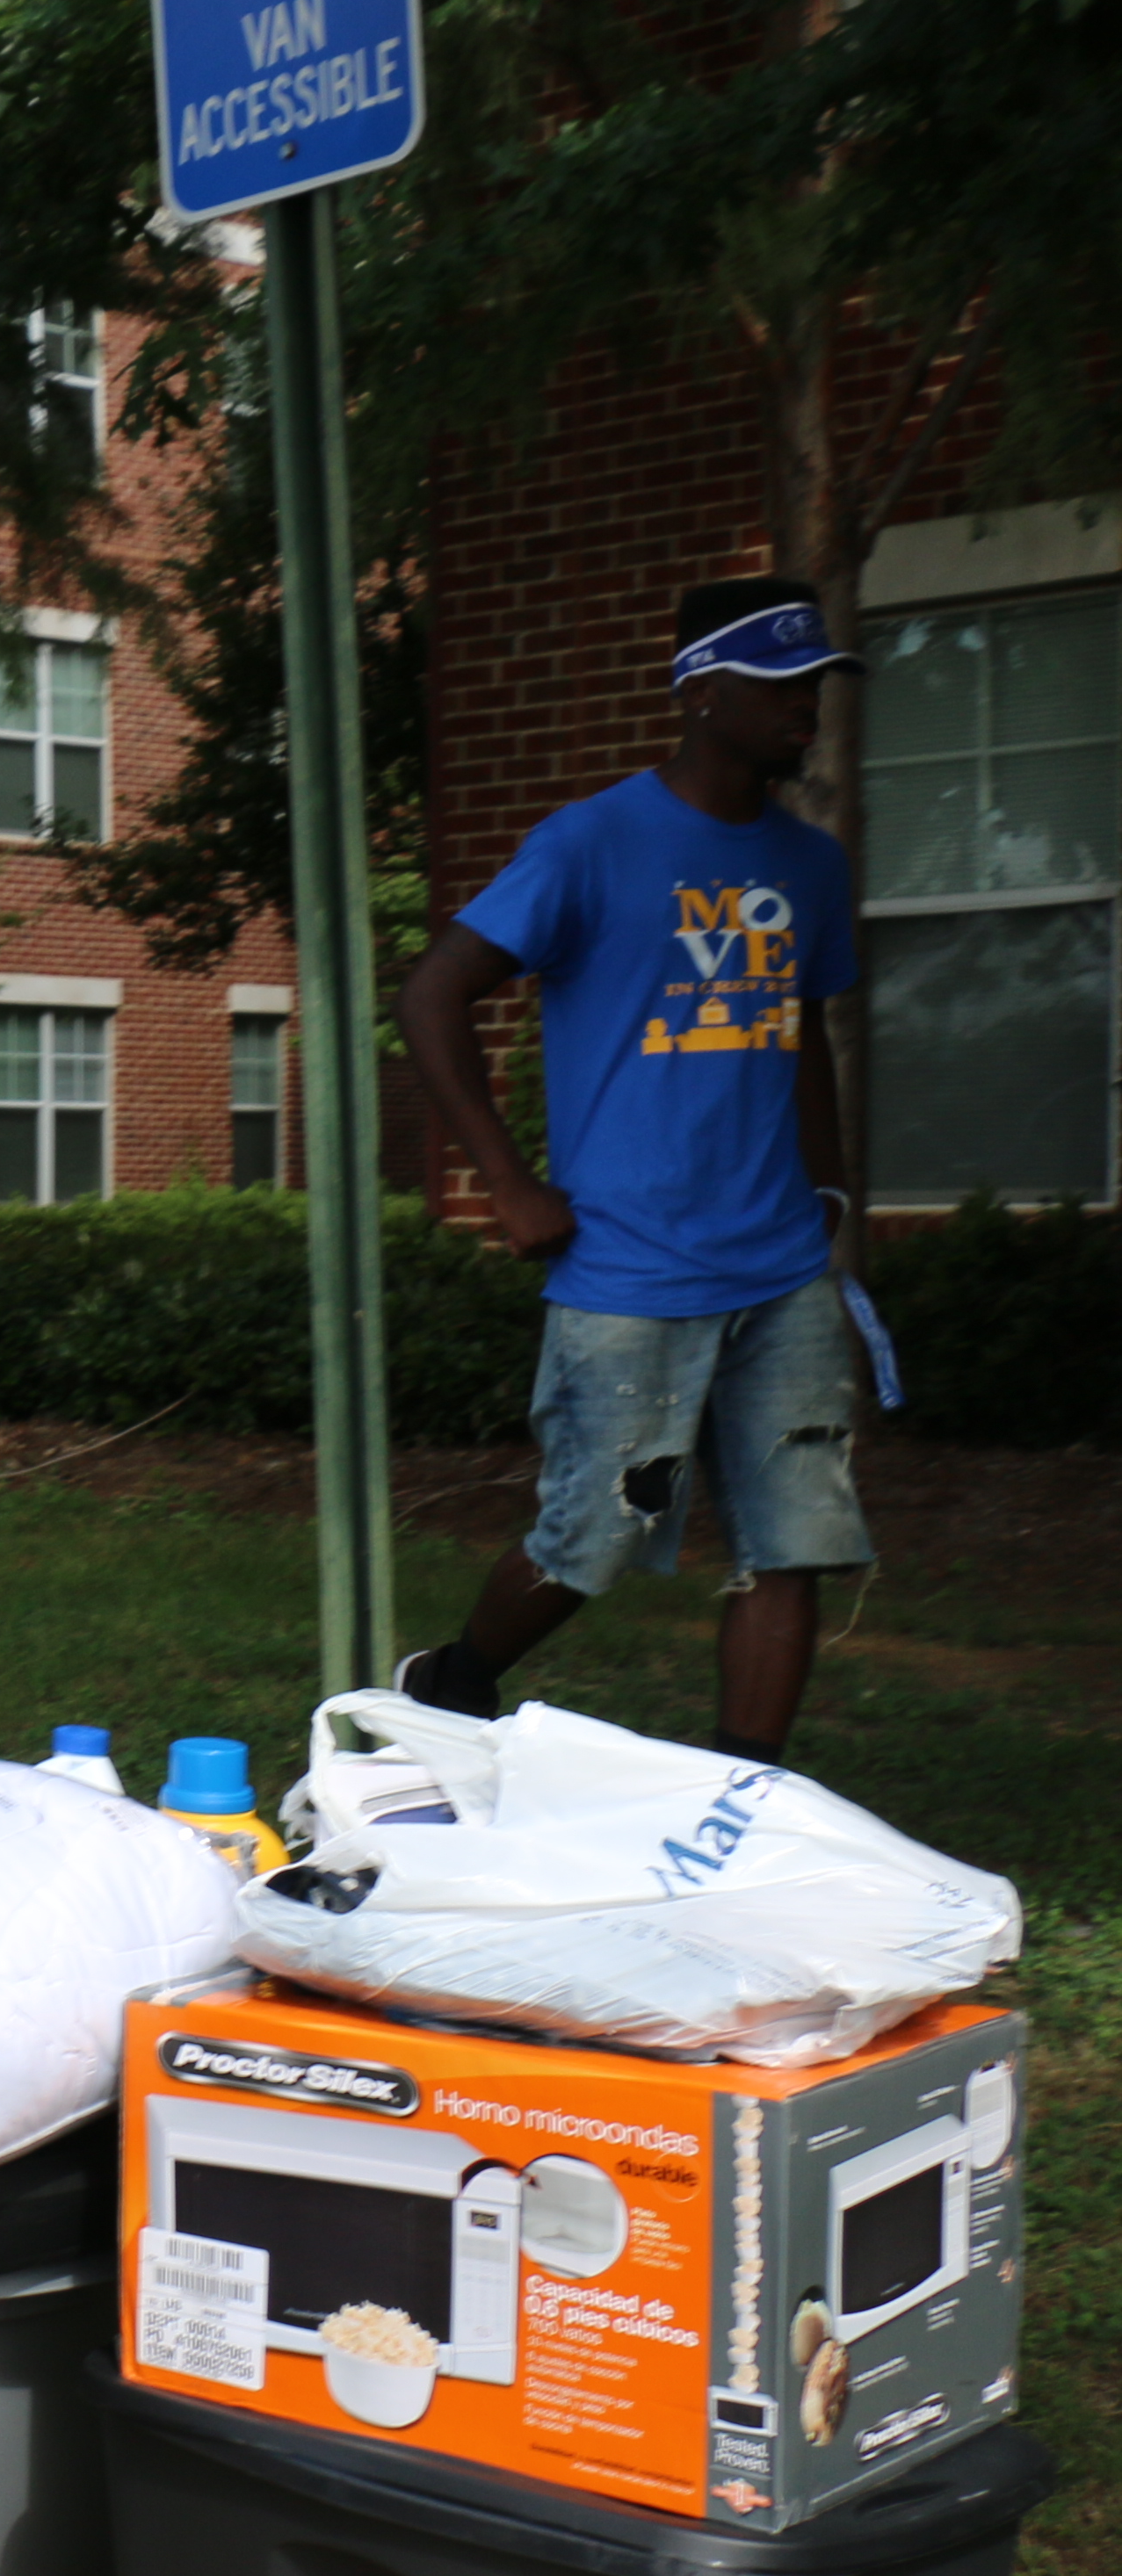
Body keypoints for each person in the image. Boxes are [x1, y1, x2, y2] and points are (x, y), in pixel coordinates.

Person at [393, 578, 872, 1764]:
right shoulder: (590, 845)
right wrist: (507, 1181)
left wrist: (833, 1208)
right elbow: (433, 996)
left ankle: (742, 1800)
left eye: (814, 687)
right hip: (627, 1266)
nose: (806, 712)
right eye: (781, 689)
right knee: (592, 1536)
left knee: (796, 1538)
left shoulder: (810, 867)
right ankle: (451, 1684)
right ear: (701, 694)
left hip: (780, 1268)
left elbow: (800, 1031)